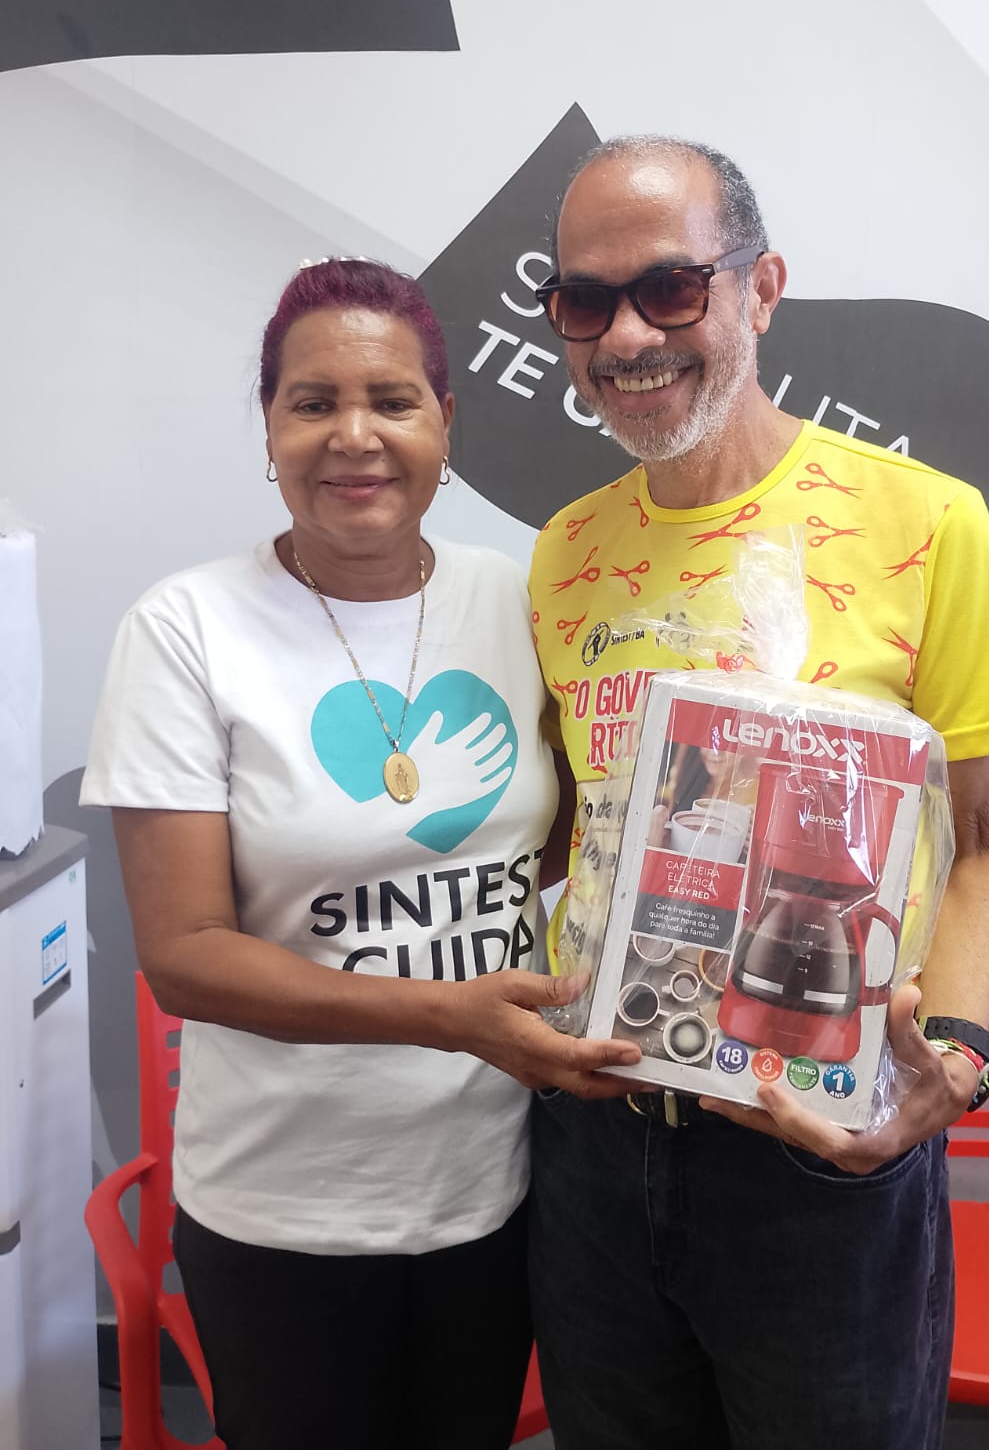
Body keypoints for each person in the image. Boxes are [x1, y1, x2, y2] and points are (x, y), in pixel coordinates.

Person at [526, 138, 989, 1450]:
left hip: (820, 1147)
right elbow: (573, 839)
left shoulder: (928, 524)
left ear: (761, 290)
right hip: (594, 1143)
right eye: (585, 301)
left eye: (671, 288)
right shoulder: (565, 553)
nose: (627, 336)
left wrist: (956, 1064)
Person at [80, 258, 638, 1450]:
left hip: (492, 1187)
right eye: (312, 402)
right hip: (286, 1212)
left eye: (391, 399)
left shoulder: (514, 597)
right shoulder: (186, 629)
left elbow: (548, 838)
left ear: (446, 422)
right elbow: (184, 955)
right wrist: (450, 1014)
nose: (354, 436)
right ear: (269, 429)